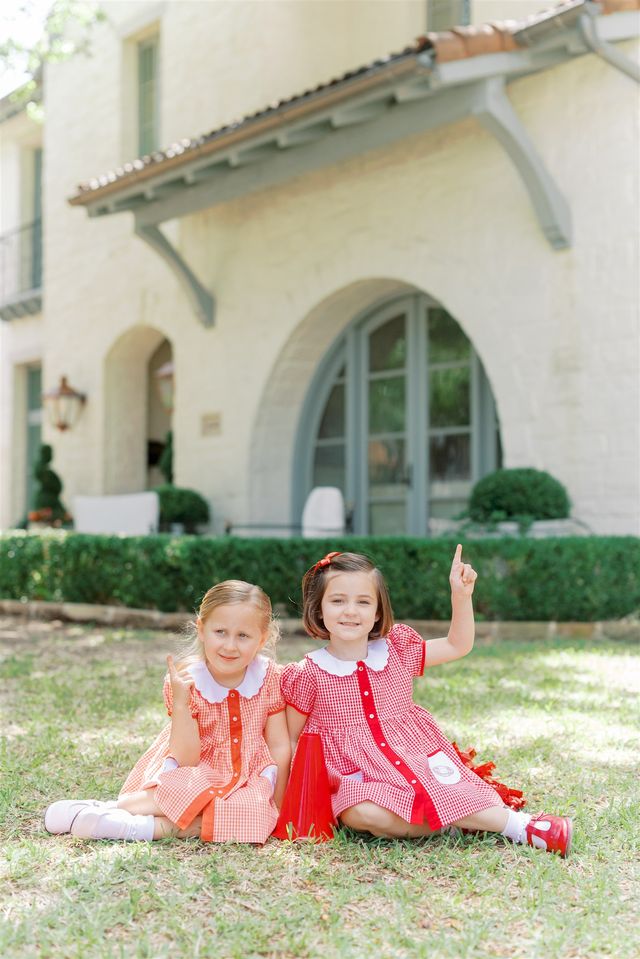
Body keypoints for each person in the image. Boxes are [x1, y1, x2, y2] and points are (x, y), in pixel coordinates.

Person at [282, 549, 573, 856]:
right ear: (319, 608)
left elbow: (457, 645)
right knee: (360, 814)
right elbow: (291, 740)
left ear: (378, 611)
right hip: (359, 773)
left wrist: (461, 596)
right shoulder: (307, 673)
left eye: (363, 602)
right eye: (338, 600)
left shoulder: (396, 651)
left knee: (437, 787)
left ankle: (521, 826)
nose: (350, 611)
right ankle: (461, 822)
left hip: (411, 757)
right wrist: (283, 803)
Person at [45, 580, 290, 843]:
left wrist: (277, 803)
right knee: (186, 789)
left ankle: (132, 826)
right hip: (196, 769)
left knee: (252, 814)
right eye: (220, 631)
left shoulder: (269, 677)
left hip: (246, 778)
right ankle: (115, 808)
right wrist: (182, 703)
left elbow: (279, 745)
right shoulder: (187, 679)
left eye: (243, 636)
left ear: (261, 639)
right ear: (201, 629)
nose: (230, 646)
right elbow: (186, 758)